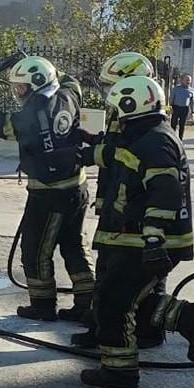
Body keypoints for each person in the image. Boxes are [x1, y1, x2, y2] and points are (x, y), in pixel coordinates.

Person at [76, 75, 194, 388]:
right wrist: (81, 152)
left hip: (147, 241)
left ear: (131, 104)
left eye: (116, 109)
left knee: (114, 302)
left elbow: (165, 191)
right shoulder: (140, 135)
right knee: (123, 298)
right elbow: (114, 156)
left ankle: (120, 372)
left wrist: (154, 240)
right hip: (132, 238)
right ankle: (190, 319)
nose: (114, 116)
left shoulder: (156, 141)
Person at [0, 56, 94, 321]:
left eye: (21, 87)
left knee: (35, 250)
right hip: (76, 187)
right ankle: (87, 305)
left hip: (49, 193)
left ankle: (43, 306)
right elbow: (69, 79)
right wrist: (34, 62)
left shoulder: (33, 113)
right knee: (73, 245)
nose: (19, 92)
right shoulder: (69, 94)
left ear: (36, 84)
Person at [70, 51, 166, 350]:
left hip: (130, 209)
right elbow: (112, 149)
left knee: (139, 281)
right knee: (107, 270)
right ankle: (98, 326)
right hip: (115, 201)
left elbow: (120, 155)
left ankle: (148, 331)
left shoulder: (144, 117)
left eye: (114, 83)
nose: (109, 91)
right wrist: (89, 142)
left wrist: (90, 152)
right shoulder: (124, 113)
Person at [170, 74, 194, 139]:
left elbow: (192, 102)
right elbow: (171, 99)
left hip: (185, 109)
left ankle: (180, 139)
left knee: (182, 124)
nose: (188, 82)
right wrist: (170, 108)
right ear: (182, 80)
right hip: (176, 108)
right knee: (173, 124)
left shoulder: (191, 90)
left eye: (189, 80)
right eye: (186, 80)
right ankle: (172, 138)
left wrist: (192, 111)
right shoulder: (176, 89)